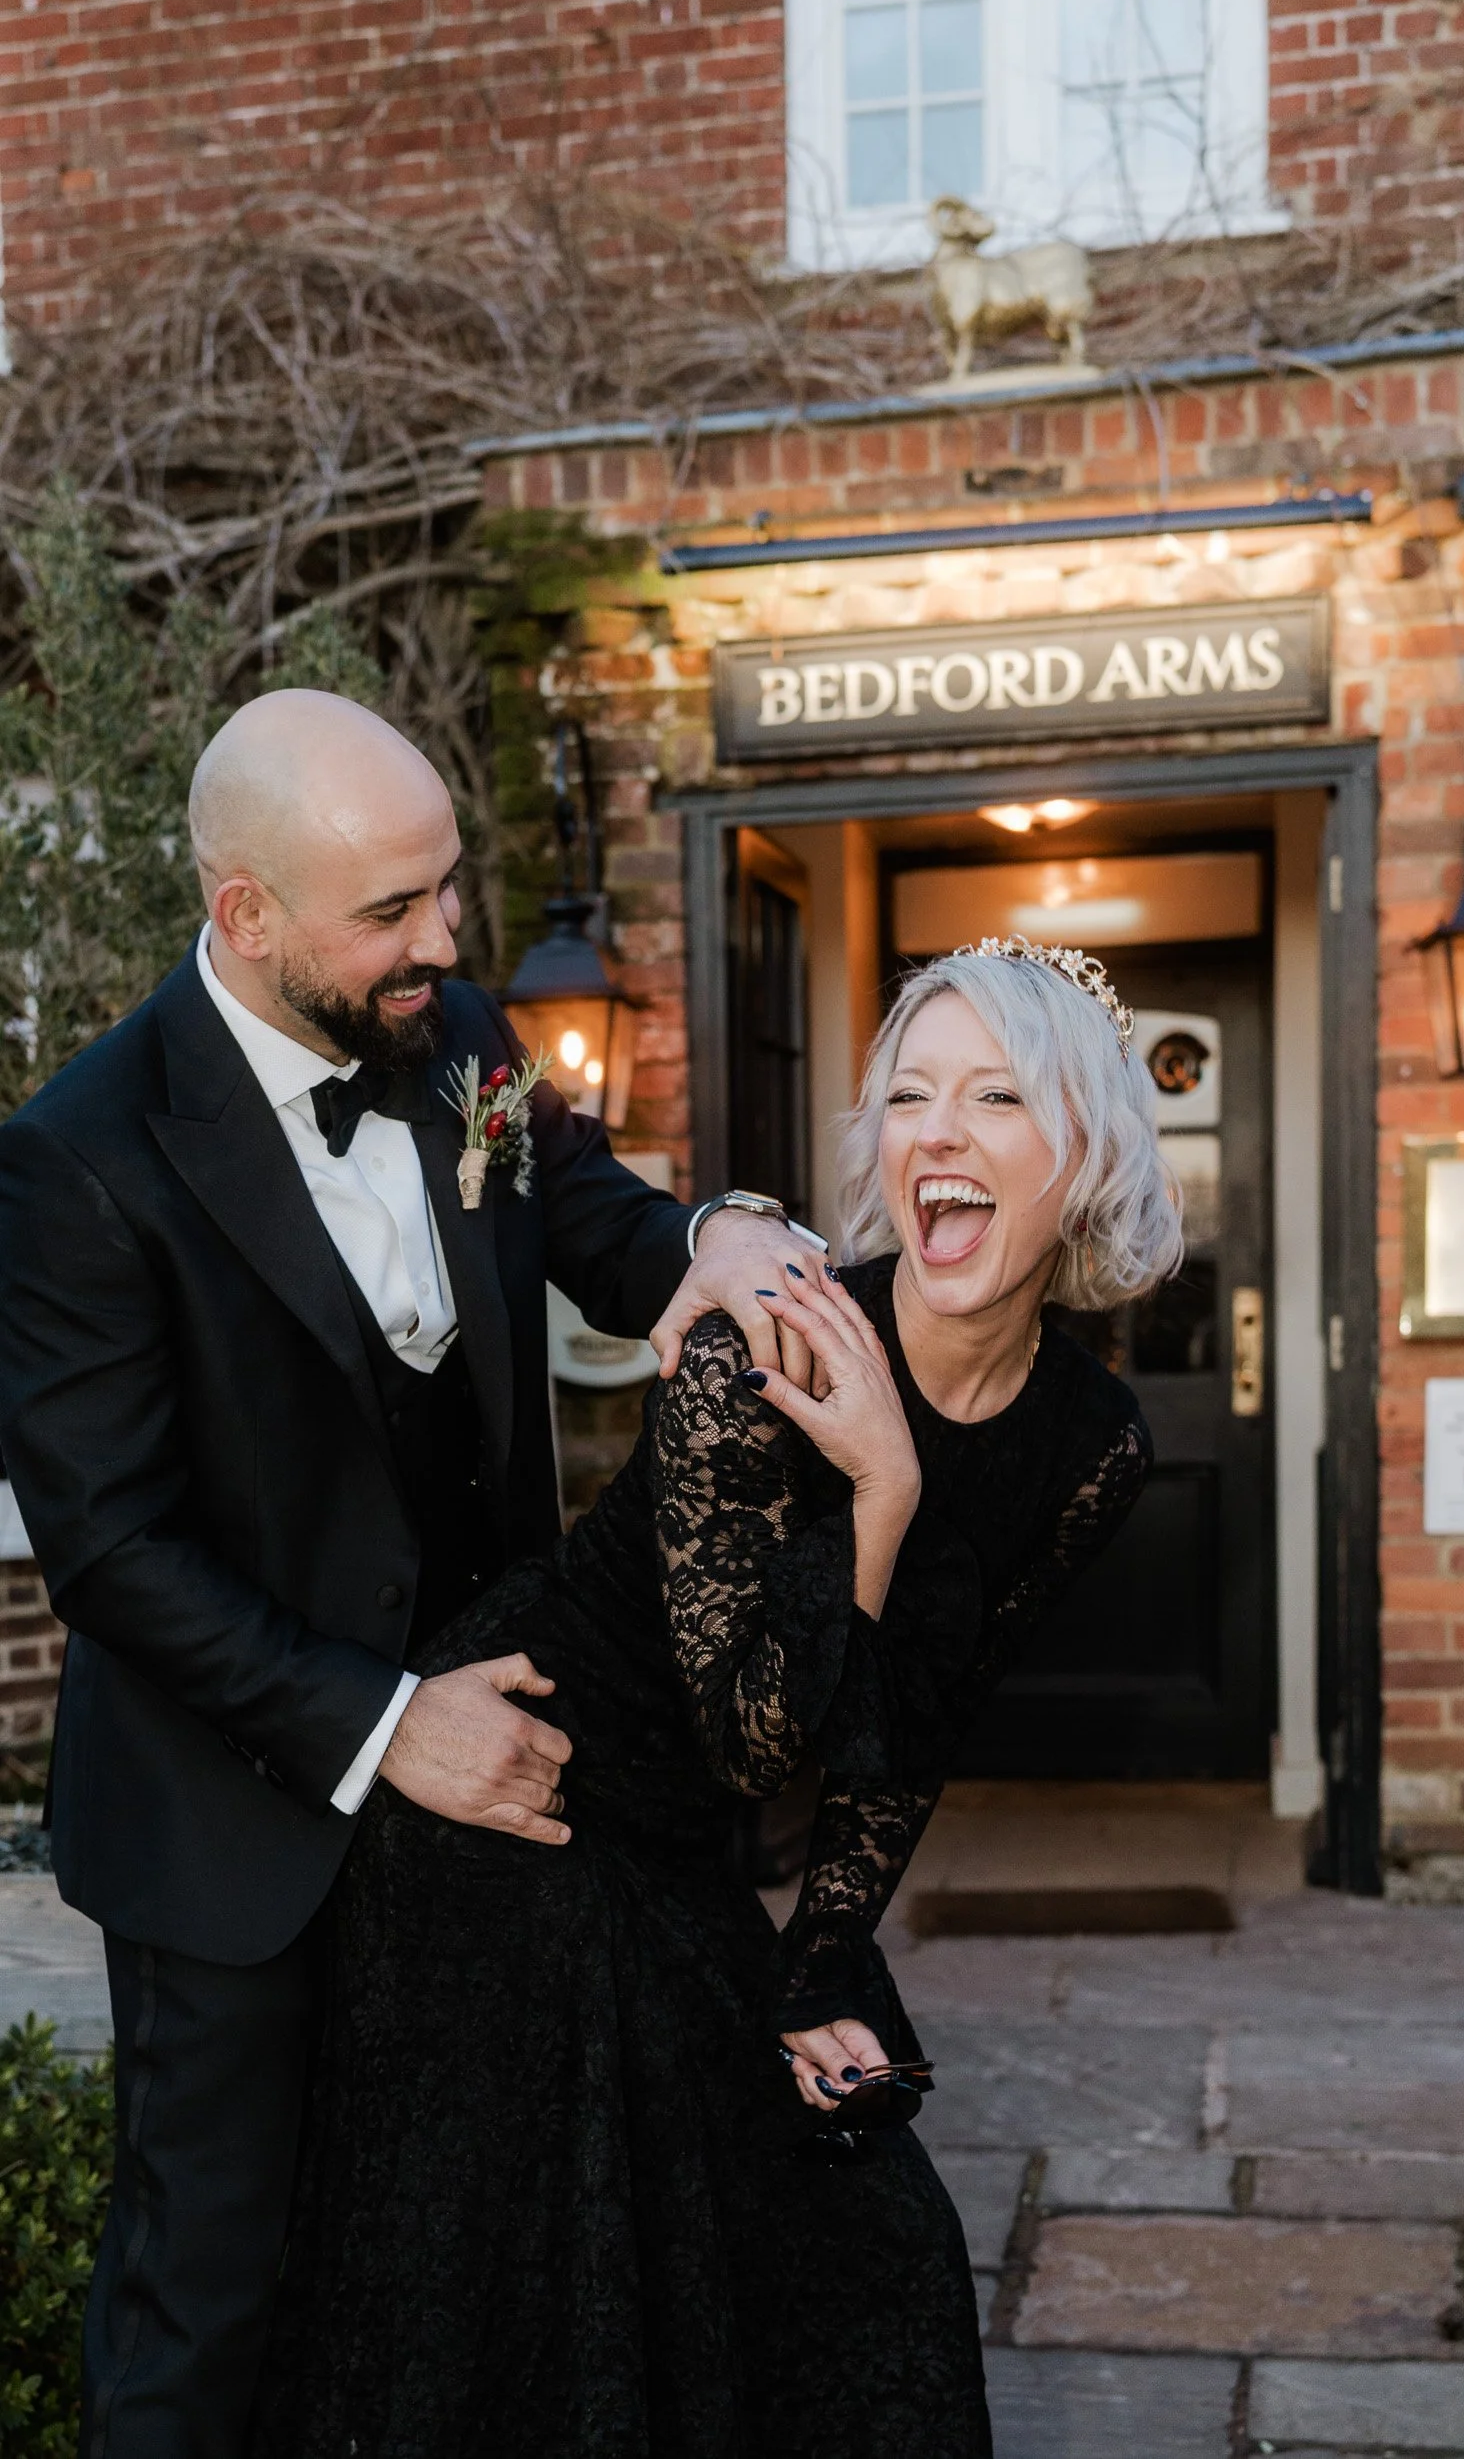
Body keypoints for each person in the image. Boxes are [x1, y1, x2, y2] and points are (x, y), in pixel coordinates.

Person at [0, 690, 818, 2459]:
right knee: (211, 2306)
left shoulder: (454, 1038)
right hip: (240, 1835)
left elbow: (596, 1217)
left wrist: (711, 1241)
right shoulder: (78, 1160)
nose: (445, 943)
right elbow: (114, 1552)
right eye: (394, 910)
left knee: (464, 2263)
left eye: (448, 893)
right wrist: (387, 1725)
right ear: (245, 914)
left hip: (506, 1779)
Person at [252, 932, 1183, 2459]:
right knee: (590, 2266)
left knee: (865, 2232)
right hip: (510, 1799)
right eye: (910, 1095)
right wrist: (879, 1486)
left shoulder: (1093, 1440)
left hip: (672, 1840)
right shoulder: (762, 1350)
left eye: (997, 1097)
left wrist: (822, 1962)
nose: (935, 1133)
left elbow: (913, 1720)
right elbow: (757, 1738)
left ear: (1081, 1151)